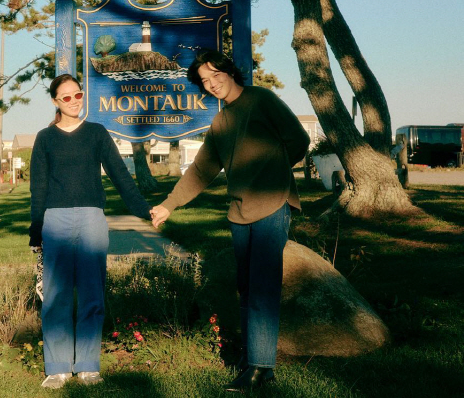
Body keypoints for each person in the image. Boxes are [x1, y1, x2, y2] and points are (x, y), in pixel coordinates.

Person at [151, 49, 310, 393]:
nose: (211, 84)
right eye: (204, 81)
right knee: (247, 287)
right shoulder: (221, 122)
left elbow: (299, 140)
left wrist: (273, 173)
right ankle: (254, 357)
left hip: (272, 205)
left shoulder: (262, 99)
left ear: (229, 71)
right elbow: (202, 170)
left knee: (263, 288)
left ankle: (260, 368)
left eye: (215, 76)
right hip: (239, 213)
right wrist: (168, 205)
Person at [29, 73, 152, 389]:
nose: (74, 101)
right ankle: (56, 367)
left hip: (92, 220)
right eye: (66, 97)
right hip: (55, 221)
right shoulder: (45, 138)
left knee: (92, 293)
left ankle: (87, 365)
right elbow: (38, 187)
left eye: (78, 94)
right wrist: (36, 230)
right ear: (56, 101)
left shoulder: (97, 133)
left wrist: (143, 210)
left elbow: (121, 177)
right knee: (56, 295)